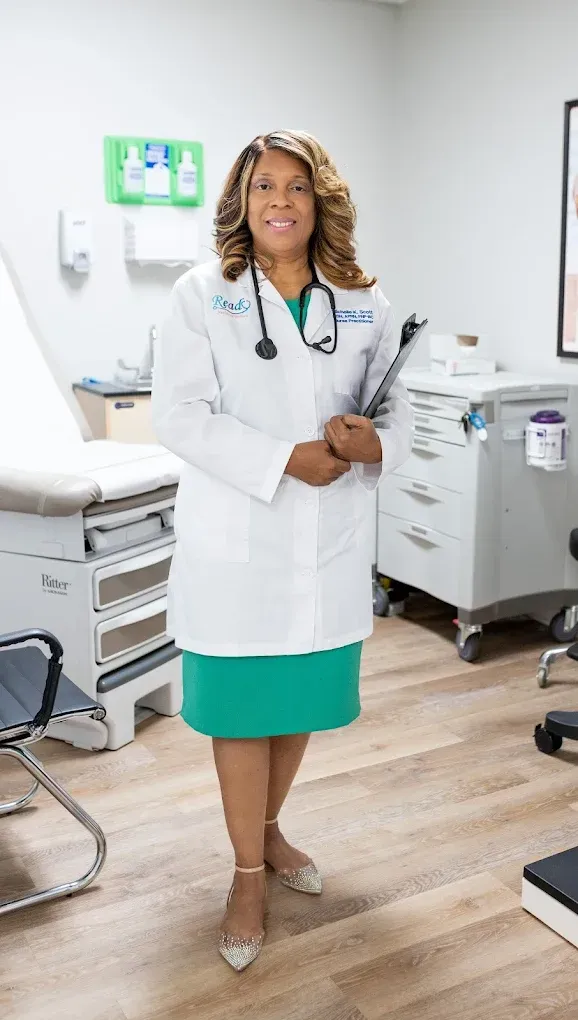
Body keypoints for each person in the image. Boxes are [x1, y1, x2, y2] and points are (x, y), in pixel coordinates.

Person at [152, 130, 414, 972]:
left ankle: (267, 834)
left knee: (298, 702)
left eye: (297, 186)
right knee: (240, 711)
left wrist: (377, 443)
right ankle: (244, 879)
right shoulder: (203, 293)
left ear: (319, 200)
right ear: (242, 199)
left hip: (326, 545)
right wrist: (282, 460)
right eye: (263, 184)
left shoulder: (362, 301)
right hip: (239, 545)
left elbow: (397, 408)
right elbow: (179, 416)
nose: (280, 200)